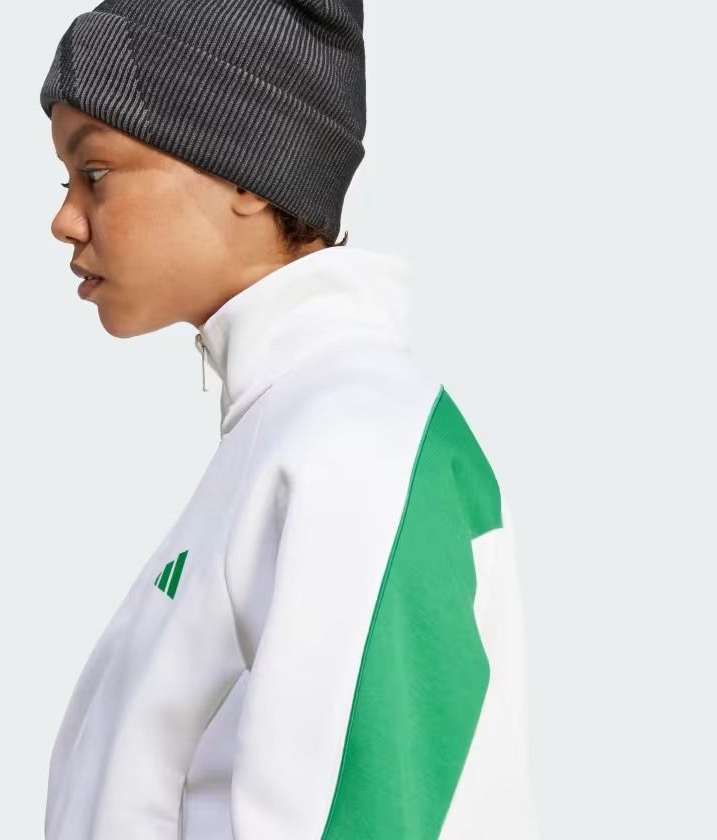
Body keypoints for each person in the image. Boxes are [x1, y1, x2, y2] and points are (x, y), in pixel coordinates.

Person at [40, 2, 540, 838]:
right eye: (66, 181)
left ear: (247, 173)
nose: (63, 218)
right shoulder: (286, 435)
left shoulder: (355, 444)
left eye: (95, 172)